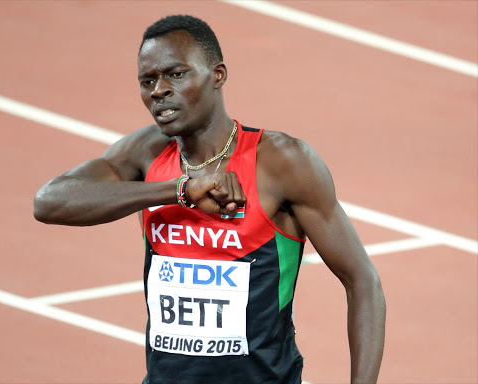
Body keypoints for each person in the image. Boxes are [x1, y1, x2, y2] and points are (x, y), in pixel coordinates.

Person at [34, 15, 385, 384]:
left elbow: (362, 280)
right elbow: (49, 202)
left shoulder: (281, 162)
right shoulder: (144, 153)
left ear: (217, 75)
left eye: (176, 74)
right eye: (147, 80)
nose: (159, 90)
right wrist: (179, 190)